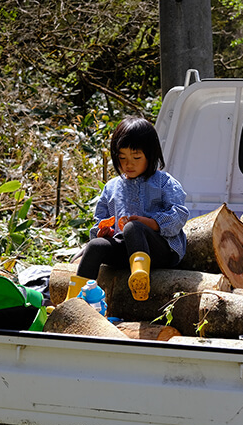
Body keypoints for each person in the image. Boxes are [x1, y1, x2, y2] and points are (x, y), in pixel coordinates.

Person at [70, 116, 189, 302]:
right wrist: (103, 232)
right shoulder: (111, 187)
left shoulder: (164, 183)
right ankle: (74, 301)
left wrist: (151, 223)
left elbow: (179, 215)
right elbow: (99, 220)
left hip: (159, 252)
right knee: (94, 246)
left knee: (134, 227)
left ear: (150, 156)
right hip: (125, 251)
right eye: (122, 157)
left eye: (136, 157)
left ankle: (141, 278)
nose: (128, 164)